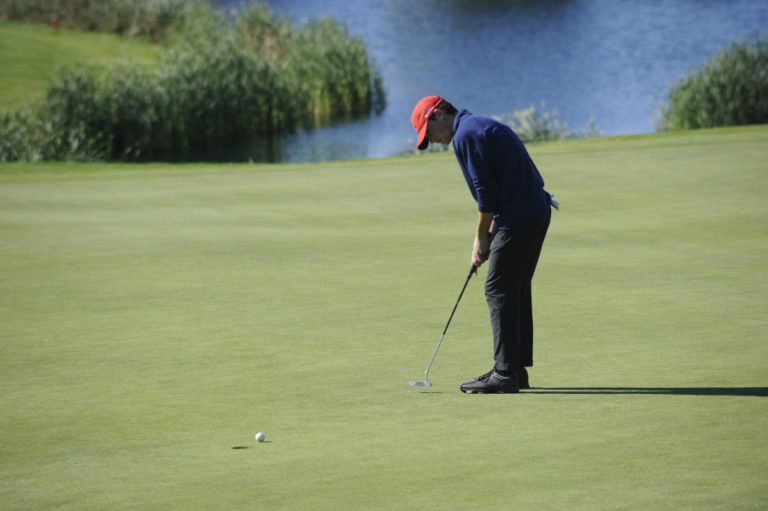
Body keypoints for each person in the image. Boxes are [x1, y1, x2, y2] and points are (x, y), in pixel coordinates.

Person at [410, 95, 557, 394]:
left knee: (498, 289)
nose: (434, 141)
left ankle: (504, 374)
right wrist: (490, 235)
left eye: (430, 133)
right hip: (532, 212)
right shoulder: (474, 127)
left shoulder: (465, 135)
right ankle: (515, 369)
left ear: (438, 114)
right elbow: (499, 190)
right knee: (513, 287)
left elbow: (486, 194)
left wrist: (479, 239)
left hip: (521, 217)